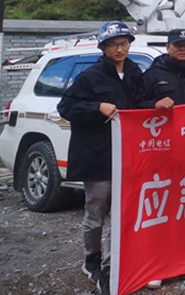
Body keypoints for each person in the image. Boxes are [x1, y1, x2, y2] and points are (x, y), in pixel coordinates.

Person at [57, 21, 142, 295]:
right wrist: (97, 107)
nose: (119, 49)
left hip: (127, 158)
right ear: (103, 47)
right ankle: (91, 260)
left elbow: (143, 105)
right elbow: (66, 107)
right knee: (96, 212)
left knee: (121, 214)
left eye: (124, 43)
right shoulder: (90, 77)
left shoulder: (135, 74)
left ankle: (111, 265)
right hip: (98, 158)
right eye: (113, 44)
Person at [137, 28, 185, 288]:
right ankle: (158, 265)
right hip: (161, 152)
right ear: (168, 47)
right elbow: (132, 106)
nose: (183, 49)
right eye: (178, 45)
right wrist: (153, 105)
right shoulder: (151, 75)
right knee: (161, 208)